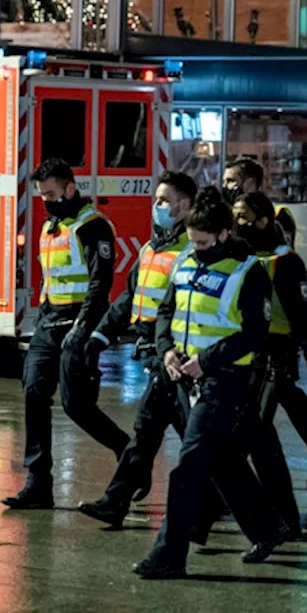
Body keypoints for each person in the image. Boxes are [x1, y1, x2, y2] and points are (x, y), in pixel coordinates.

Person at [133, 190, 284, 579]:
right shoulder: (185, 259)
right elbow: (167, 311)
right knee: (221, 461)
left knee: (187, 467)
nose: (196, 249)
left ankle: (169, 554)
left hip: (225, 381)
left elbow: (254, 333)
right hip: (185, 377)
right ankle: (268, 530)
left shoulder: (247, 271)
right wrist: (166, 349)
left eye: (203, 242)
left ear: (222, 234)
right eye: (193, 240)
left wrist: (207, 360)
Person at [4, 159, 128, 510]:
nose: (46, 200)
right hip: (49, 321)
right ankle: (38, 483)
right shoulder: (50, 225)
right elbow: (50, 277)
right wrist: (42, 315)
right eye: (42, 195)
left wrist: (83, 328)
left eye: (52, 194)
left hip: (78, 322)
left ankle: (127, 451)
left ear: (71, 189)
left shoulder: (92, 227)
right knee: (33, 392)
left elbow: (99, 285)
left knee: (77, 406)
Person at [78, 171, 197, 528]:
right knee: (153, 435)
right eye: (157, 199)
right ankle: (116, 503)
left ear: (185, 205)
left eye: (164, 200)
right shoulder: (151, 248)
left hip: (175, 358)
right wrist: (99, 336)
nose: (157, 206)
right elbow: (130, 299)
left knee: (189, 438)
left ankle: (229, 506)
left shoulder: (190, 251)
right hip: (154, 353)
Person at [233, 192, 307, 488]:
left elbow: (301, 315)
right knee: (285, 397)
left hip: (276, 346)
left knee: (257, 419)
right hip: (247, 345)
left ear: (263, 220)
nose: (237, 223)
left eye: (243, 217)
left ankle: (248, 488)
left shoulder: (284, 261)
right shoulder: (240, 255)